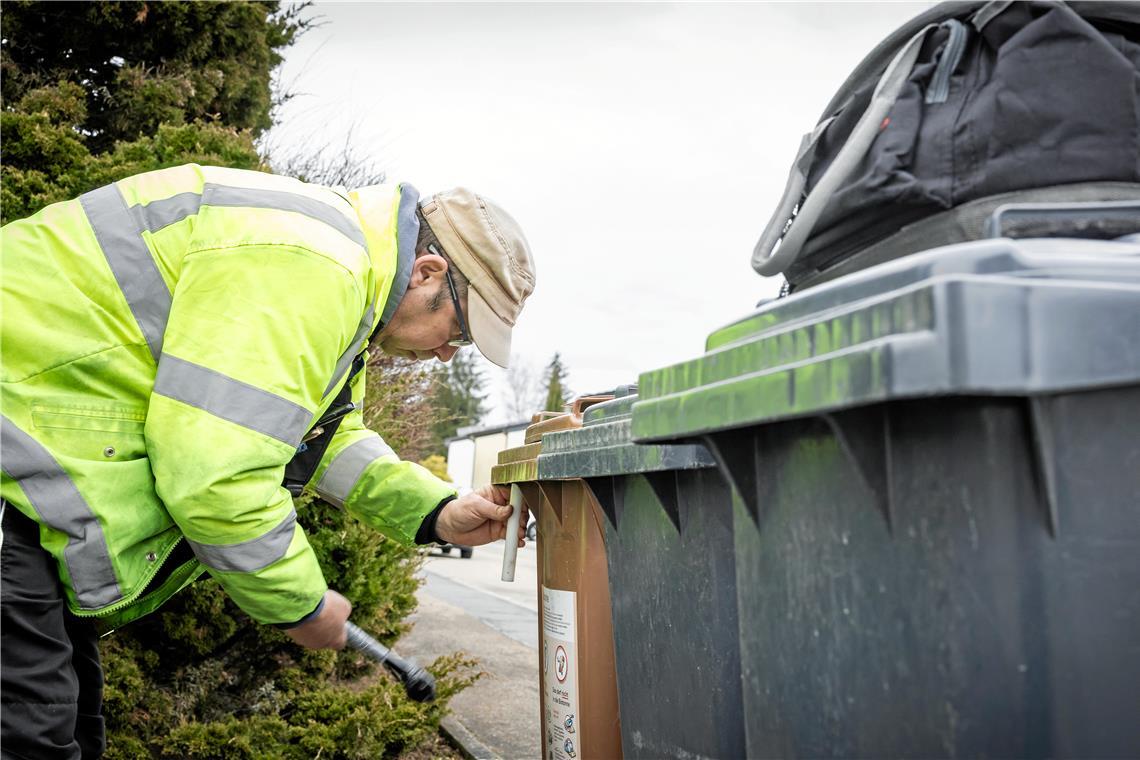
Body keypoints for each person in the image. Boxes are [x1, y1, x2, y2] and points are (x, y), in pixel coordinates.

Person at [0, 164, 537, 758]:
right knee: (32, 740)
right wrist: (300, 605)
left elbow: (321, 437)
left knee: (66, 729)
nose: (443, 356)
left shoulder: (336, 269)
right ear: (427, 272)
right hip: (13, 472)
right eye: (458, 332)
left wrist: (435, 510)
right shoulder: (310, 260)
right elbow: (217, 471)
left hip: (27, 480)